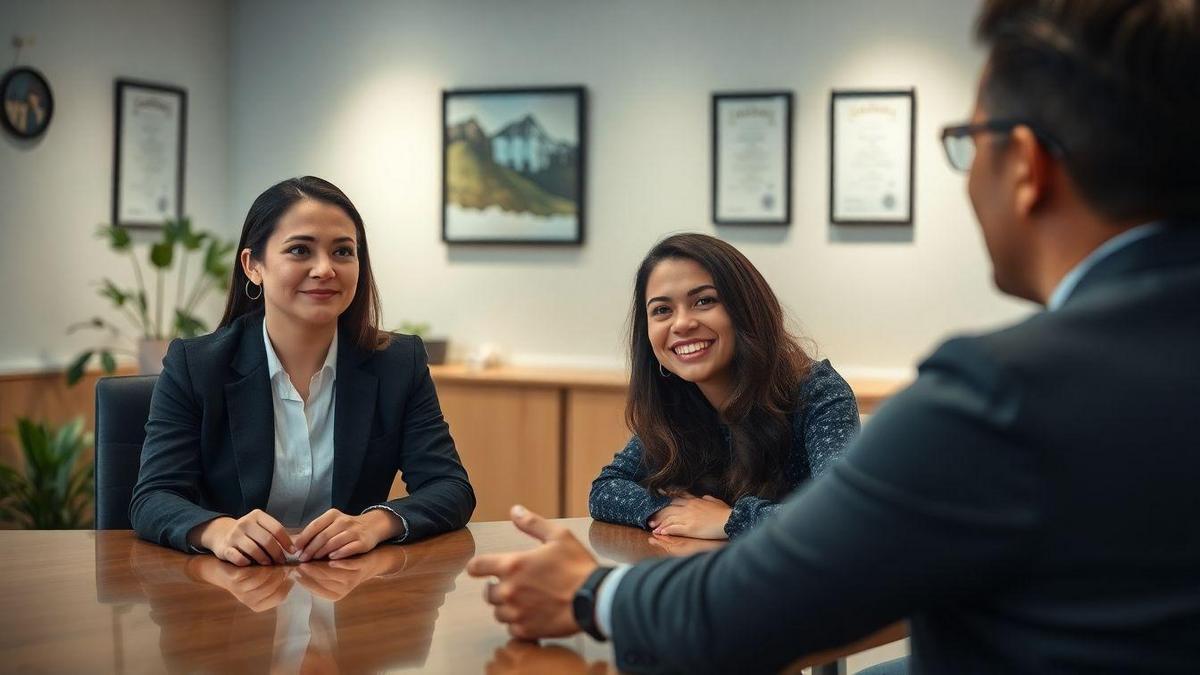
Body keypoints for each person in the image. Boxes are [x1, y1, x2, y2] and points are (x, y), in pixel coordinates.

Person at [467, 0, 1200, 672]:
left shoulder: (997, 395)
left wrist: (594, 594)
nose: (681, 324)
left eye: (965, 141)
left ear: (1025, 167)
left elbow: (772, 599)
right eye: (661, 310)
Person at [131, 176, 475, 565]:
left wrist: (375, 524)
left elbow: (449, 487)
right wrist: (219, 531)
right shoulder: (196, 366)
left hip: (349, 590)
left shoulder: (398, 364)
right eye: (299, 250)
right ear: (253, 266)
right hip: (230, 593)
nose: (325, 269)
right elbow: (153, 498)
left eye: (343, 252)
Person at [589, 234, 859, 540]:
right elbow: (606, 488)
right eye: (662, 310)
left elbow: (843, 513)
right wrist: (668, 509)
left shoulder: (817, 393)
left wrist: (730, 519)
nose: (681, 324)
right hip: (718, 574)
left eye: (704, 301)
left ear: (746, 311)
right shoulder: (677, 400)